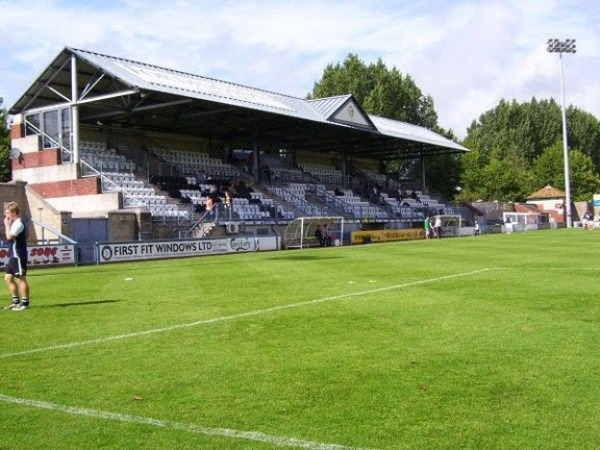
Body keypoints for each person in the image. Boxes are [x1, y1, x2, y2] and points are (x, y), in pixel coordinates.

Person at [4, 202, 30, 311]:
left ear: (14, 212)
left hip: (18, 255)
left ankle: (25, 304)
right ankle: (16, 302)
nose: (6, 215)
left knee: (21, 278)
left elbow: (9, 237)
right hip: (13, 255)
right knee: (8, 278)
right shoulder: (15, 223)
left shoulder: (19, 223)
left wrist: (7, 225)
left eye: (8, 213)